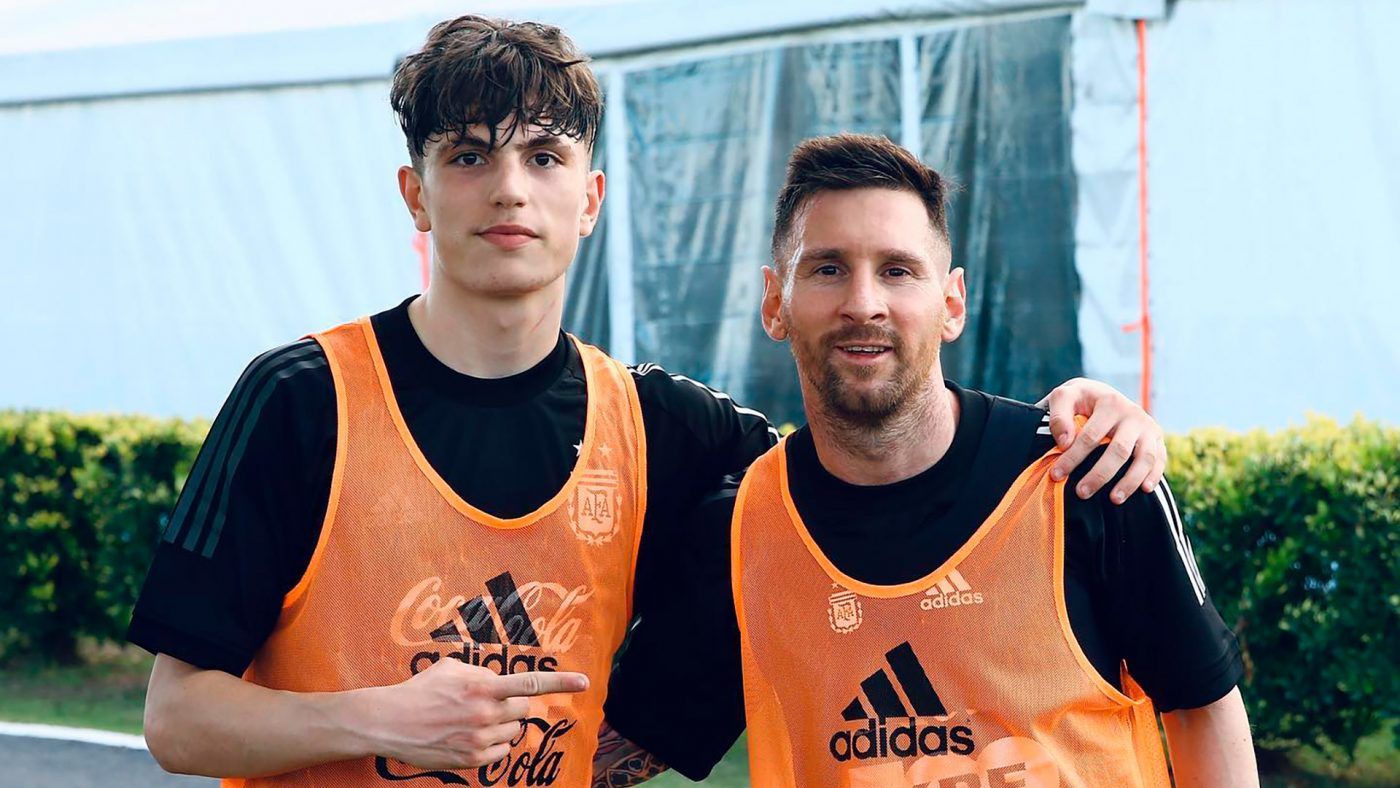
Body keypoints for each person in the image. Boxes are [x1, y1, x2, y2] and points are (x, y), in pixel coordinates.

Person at [129, 17, 1169, 787]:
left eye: (543, 157)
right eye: (468, 156)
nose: (508, 189)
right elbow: (178, 720)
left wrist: (1081, 418)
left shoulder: (664, 429)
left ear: (590, 197)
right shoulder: (305, 400)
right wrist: (384, 718)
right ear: (416, 192)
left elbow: (877, 457)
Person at [599, 134, 1257, 788]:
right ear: (775, 303)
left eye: (897, 269)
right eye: (828, 268)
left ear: (952, 303)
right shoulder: (744, 533)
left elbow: (1202, 711)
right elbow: (608, 751)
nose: (863, 303)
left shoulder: (1084, 476)